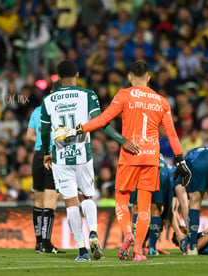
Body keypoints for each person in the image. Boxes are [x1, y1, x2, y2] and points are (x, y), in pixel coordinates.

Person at [76, 61, 191, 261]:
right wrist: (180, 160)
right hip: (151, 158)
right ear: (149, 78)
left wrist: (79, 129)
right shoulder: (161, 101)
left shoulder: (124, 95)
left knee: (122, 198)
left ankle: (127, 232)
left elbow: (103, 120)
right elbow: (172, 134)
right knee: (144, 205)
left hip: (130, 156)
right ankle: (138, 252)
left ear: (129, 77)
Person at [40, 60, 138, 261]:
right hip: (82, 154)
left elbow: (44, 130)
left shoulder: (48, 99)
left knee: (70, 203)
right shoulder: (88, 95)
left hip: (60, 156)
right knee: (87, 197)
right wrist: (122, 140)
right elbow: (101, 122)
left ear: (58, 77)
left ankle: (82, 250)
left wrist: (45, 152)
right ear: (77, 73)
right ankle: (93, 231)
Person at [27, 81, 62, 254]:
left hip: (37, 154)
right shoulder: (60, 110)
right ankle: (46, 244)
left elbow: (29, 135)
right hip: (52, 154)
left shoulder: (36, 110)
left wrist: (40, 142)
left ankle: (39, 242)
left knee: (38, 201)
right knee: (50, 201)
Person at [129, 157, 174, 255]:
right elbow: (170, 195)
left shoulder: (140, 153)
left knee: (137, 208)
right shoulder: (167, 165)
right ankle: (152, 248)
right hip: (161, 171)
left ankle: (138, 247)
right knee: (155, 209)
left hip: (141, 168)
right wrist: (165, 216)